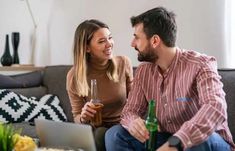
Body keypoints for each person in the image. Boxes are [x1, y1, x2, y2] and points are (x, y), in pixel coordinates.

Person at [105, 7, 235, 151]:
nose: (132, 43)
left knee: (200, 141)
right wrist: (133, 122)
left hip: (208, 142)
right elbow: (129, 111)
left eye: (136, 37)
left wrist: (177, 142)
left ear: (155, 41)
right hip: (166, 137)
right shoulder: (144, 71)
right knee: (115, 134)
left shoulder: (201, 64)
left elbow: (215, 108)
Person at [66, 19, 133, 151]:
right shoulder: (74, 76)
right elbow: (77, 117)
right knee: (100, 133)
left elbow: (136, 101)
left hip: (123, 126)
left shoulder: (123, 63)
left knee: (107, 134)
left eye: (110, 38)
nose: (109, 44)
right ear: (86, 48)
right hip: (96, 129)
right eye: (102, 41)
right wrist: (84, 117)